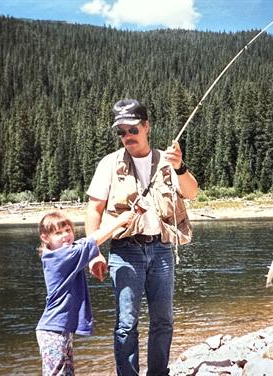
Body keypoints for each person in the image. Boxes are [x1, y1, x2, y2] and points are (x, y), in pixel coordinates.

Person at [85, 99, 198, 375]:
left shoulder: (167, 160)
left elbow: (192, 192)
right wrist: (93, 252)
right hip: (125, 251)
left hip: (161, 249)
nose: (127, 137)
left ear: (147, 126)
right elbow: (94, 209)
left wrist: (180, 167)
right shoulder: (109, 164)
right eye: (121, 132)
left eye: (132, 129)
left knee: (163, 321)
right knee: (126, 323)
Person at [36, 210, 135, 376]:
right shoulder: (61, 257)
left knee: (67, 372)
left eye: (68, 230)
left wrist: (95, 258)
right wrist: (120, 221)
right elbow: (94, 241)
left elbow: (84, 244)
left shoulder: (61, 252)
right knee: (56, 372)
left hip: (60, 328)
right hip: (53, 330)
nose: (65, 235)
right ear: (46, 239)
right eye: (58, 233)